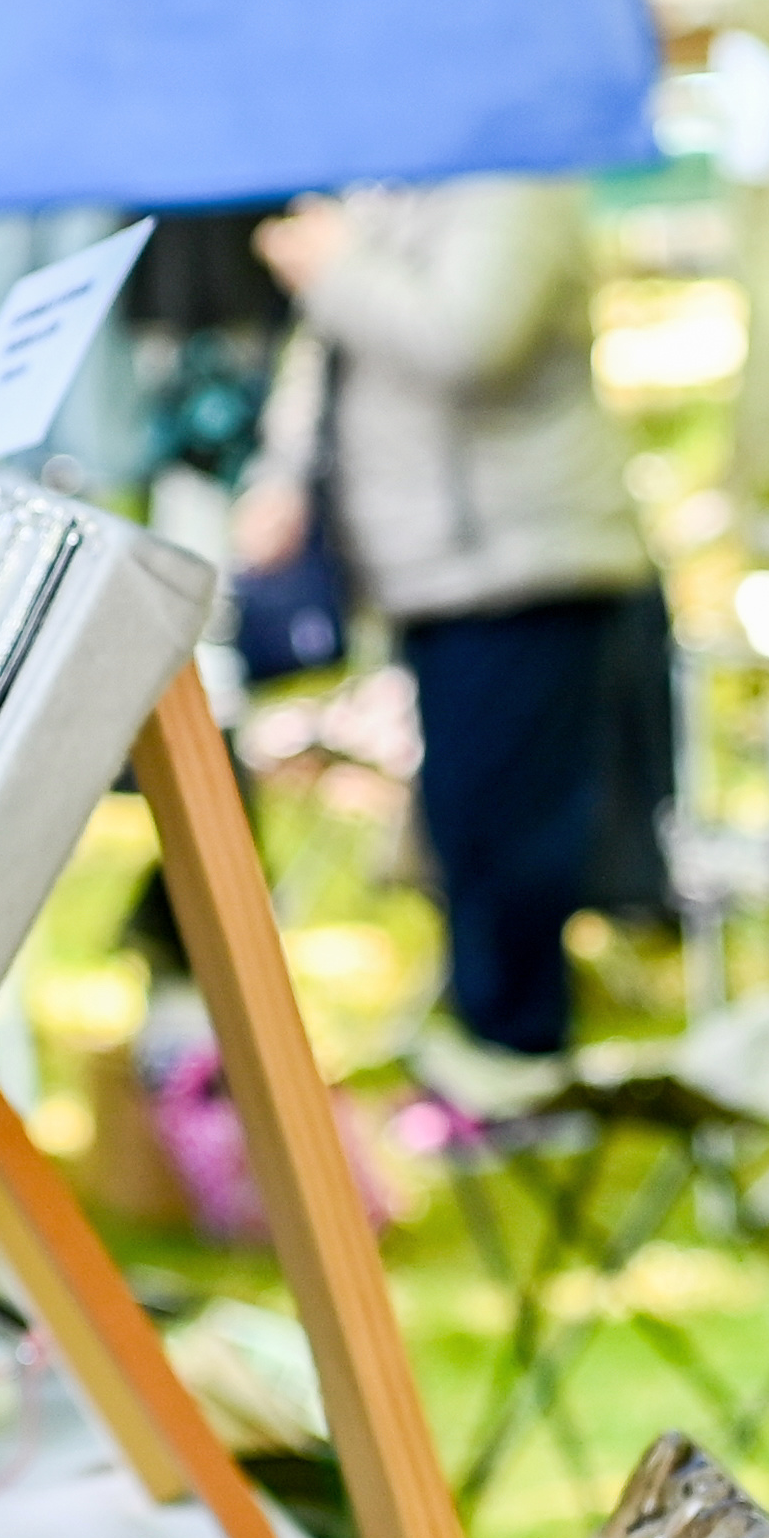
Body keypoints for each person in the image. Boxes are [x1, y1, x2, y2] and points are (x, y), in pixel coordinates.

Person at [236, 176, 676, 1094]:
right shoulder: (384, 189)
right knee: (460, 825)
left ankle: (518, 1058)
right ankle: (490, 1048)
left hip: (526, 564)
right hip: (428, 573)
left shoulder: (515, 188)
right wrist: (279, 477)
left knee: (509, 831)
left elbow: (470, 340)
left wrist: (338, 267)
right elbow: (326, 356)